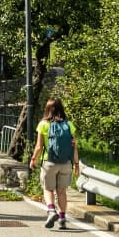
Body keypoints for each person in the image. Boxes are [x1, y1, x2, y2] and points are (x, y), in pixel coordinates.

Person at [29, 97, 81, 228]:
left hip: (49, 162)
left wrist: (33, 159)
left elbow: (39, 146)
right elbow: (74, 146)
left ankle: (51, 211)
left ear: (47, 110)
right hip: (66, 163)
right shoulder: (69, 125)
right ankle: (62, 219)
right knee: (62, 191)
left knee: (48, 189)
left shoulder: (43, 124)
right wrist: (76, 164)